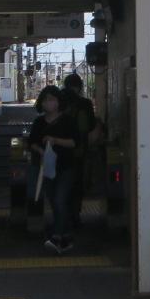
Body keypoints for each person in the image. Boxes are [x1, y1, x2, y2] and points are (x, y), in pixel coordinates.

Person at [27, 84, 84, 254]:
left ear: (59, 102)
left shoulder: (67, 121)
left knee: (59, 200)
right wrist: (40, 150)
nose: (48, 103)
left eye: (51, 99)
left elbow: (75, 142)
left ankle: (57, 236)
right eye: (45, 100)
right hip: (47, 168)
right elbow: (32, 143)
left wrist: (55, 140)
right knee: (54, 202)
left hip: (66, 167)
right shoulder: (39, 122)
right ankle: (66, 237)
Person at [60, 73, 104, 234]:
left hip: (59, 152)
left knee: (60, 185)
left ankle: (61, 217)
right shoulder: (84, 104)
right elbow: (91, 126)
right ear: (79, 87)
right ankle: (75, 217)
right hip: (79, 152)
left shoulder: (58, 101)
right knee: (77, 185)